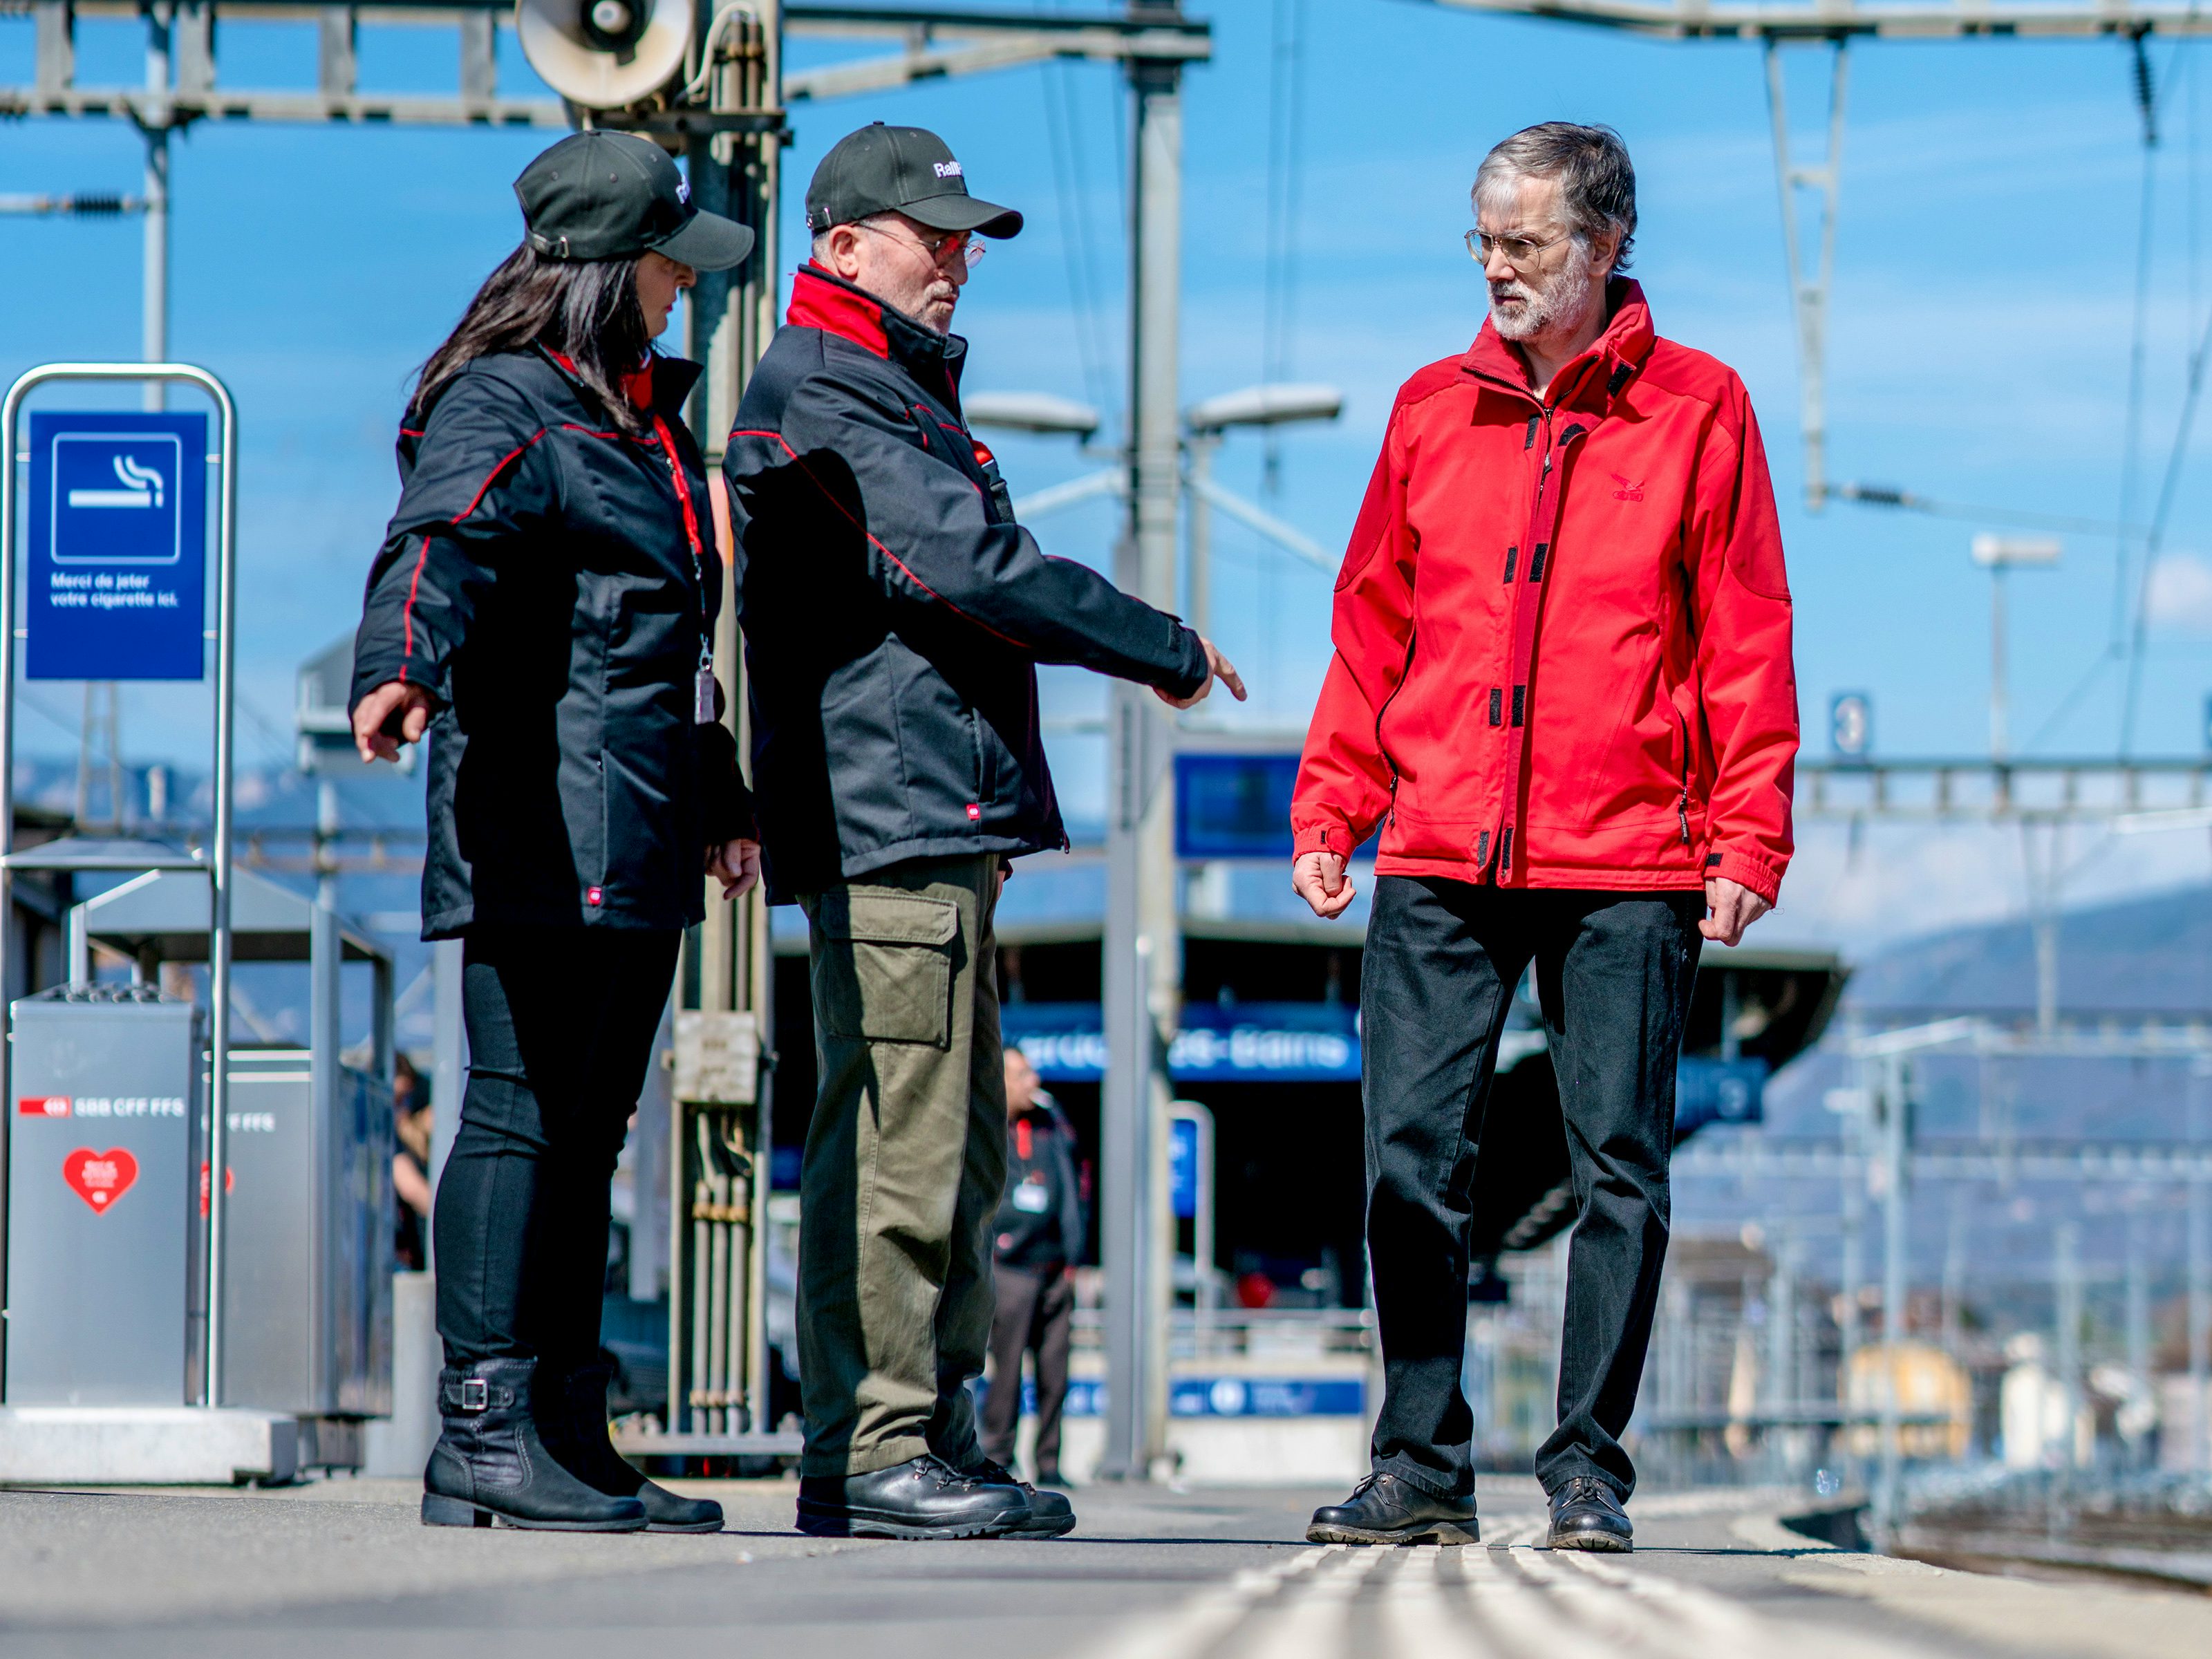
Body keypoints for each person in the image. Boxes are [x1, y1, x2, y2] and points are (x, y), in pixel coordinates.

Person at [724, 122, 1244, 1541]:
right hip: (891, 815)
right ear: (839, 247)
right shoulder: (828, 392)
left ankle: (928, 1428)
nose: (957, 261)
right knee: (899, 1135)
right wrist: (1163, 648)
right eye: (930, 233)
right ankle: (878, 1440)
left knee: (952, 1145)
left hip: (923, 814)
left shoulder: (874, 388)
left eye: (965, 238)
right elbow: (972, 566)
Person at [1290, 124, 1797, 1552]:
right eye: (1485, 241)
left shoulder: (1701, 406)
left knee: (1619, 1164)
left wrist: (1748, 830)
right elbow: (1372, 620)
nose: (1499, 269)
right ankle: (1419, 1463)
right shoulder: (1426, 409)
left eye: (1525, 243)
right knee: (1406, 1155)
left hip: (1630, 849)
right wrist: (1335, 795)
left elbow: (1743, 631)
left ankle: (1585, 1465)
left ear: (1605, 245)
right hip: (1442, 843)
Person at [350, 130, 762, 1535]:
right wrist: (398, 666)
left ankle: (565, 1431)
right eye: (666, 267)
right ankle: (479, 1427)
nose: (681, 293)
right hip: (535, 818)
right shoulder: (510, 404)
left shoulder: (639, 423)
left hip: (637, 832)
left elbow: (669, 652)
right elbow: (435, 541)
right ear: (602, 271)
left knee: (591, 1130)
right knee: (521, 1113)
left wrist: (718, 799)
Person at [980, 1048, 1085, 1487]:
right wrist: (1003, 1243)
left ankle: (1049, 1461)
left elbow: (1074, 1190)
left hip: (1055, 1272)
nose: (1033, 1080)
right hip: (1011, 1271)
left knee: (1055, 1375)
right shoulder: (986, 1130)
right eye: (1021, 1074)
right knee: (1007, 1374)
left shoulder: (1051, 1127)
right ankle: (997, 1455)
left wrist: (1074, 1256)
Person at [392, 1053, 433, 1272]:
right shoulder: (392, 1135)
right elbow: (411, 1188)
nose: (402, 1108)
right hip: (410, 1246)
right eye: (398, 1099)